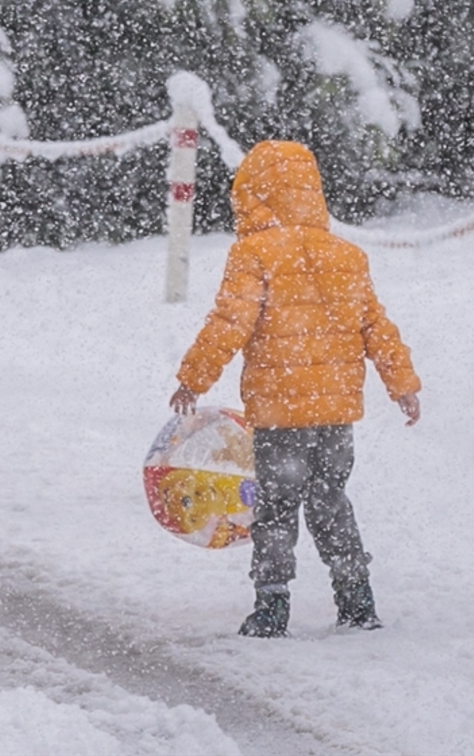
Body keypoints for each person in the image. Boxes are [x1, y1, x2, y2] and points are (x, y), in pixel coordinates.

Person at [169, 140, 420, 638]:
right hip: (335, 412)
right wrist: (402, 384)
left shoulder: (253, 253)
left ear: (253, 195)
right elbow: (376, 327)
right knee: (331, 501)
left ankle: (272, 606)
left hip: (280, 409)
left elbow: (230, 323)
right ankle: (357, 600)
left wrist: (192, 378)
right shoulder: (347, 255)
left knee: (276, 508)